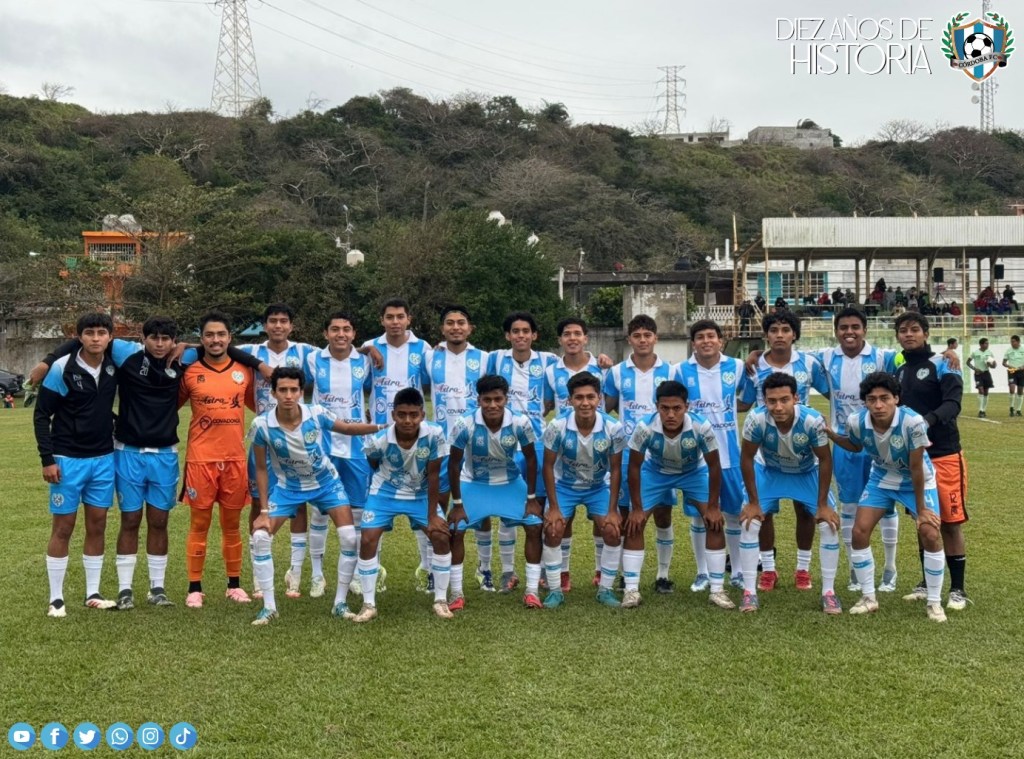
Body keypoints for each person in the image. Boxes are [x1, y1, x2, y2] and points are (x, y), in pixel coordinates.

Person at [31, 317, 268, 609]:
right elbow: (85, 339)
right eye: (153, 338)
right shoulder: (124, 353)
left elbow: (223, 350)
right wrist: (47, 360)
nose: (159, 344)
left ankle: (157, 589)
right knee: (129, 520)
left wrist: (260, 366)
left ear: (173, 340)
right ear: (143, 339)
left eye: (166, 339)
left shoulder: (186, 355)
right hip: (126, 451)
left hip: (165, 453)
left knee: (159, 521)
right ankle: (124, 589)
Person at [247, 367, 381, 625]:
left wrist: (381, 425)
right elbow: (262, 469)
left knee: (349, 538)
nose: (288, 395)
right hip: (288, 488)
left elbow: (346, 428)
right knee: (261, 537)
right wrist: (263, 512)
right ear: (273, 392)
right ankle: (269, 607)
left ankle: (339, 603)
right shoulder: (261, 425)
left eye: (294, 390)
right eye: (283, 390)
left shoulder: (315, 413)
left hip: (327, 485)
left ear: (301, 391)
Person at [825, 372, 947, 622]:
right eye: (871, 399)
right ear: (865, 402)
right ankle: (869, 597)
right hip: (882, 477)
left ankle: (934, 602)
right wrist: (831, 434)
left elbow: (916, 468)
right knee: (859, 532)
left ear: (896, 399)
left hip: (916, 480)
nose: (878, 405)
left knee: (930, 533)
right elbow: (856, 445)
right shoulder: (856, 421)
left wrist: (921, 510)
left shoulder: (913, 423)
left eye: (884, 398)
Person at [809, 308, 900, 594]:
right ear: (836, 331)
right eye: (844, 327)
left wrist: (946, 355)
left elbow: (915, 358)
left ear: (865, 330)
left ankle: (890, 567)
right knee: (849, 505)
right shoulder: (824, 357)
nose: (849, 332)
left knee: (886, 505)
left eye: (855, 327)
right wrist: (753, 356)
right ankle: (853, 567)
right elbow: (788, 359)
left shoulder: (884, 356)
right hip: (844, 444)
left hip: (879, 443)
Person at [34, 313, 119, 616]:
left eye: (101, 333)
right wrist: (48, 459)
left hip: (103, 459)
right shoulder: (62, 367)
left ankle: (92, 593)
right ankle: (56, 599)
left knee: (97, 524)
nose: (96, 338)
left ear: (110, 336)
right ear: (79, 336)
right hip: (67, 460)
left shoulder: (113, 364)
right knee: (63, 527)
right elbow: (42, 415)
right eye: (89, 333)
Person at [741, 310, 829, 592]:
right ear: (766, 335)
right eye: (774, 330)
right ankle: (768, 569)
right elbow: (744, 402)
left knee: (805, 511)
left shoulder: (809, 363)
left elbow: (835, 393)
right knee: (764, 513)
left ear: (794, 334)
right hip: (766, 449)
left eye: (785, 330)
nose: (780, 335)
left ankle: (802, 569)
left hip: (804, 450)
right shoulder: (754, 366)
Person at [738, 373, 840, 614]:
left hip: (806, 472)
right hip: (770, 471)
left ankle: (826, 590)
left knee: (828, 524)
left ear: (796, 398)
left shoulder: (812, 420)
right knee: (750, 522)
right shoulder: (756, 419)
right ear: (764, 401)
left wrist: (823, 504)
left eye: (784, 399)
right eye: (772, 401)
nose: (778, 406)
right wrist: (753, 502)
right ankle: (751, 589)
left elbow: (825, 459)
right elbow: (747, 457)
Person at [890, 312, 969, 610]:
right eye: (903, 330)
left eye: (914, 330)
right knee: (924, 521)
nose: (908, 334)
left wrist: (926, 421)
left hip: (944, 454)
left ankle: (958, 589)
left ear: (925, 333)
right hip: (915, 458)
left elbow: (953, 404)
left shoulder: (943, 363)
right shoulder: (898, 370)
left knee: (949, 523)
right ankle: (927, 582)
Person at [178, 311, 256, 609]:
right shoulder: (190, 371)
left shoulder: (243, 371)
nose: (215, 340)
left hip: (235, 459)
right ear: (202, 339)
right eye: (209, 335)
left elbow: (257, 405)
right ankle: (194, 587)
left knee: (232, 525)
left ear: (229, 338)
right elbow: (168, 405)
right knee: (199, 524)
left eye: (220, 334)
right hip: (201, 460)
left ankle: (234, 585)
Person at [622, 380, 724, 609]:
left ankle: (717, 590)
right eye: (664, 408)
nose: (670, 414)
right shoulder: (644, 427)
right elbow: (634, 467)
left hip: (693, 473)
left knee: (714, 522)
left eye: (676, 408)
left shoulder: (701, 427)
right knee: (634, 523)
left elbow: (714, 466)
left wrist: (714, 507)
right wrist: (637, 509)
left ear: (686, 406)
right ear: (656, 406)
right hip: (656, 473)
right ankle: (631, 590)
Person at [354, 388, 452, 621]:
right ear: (393, 415)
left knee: (440, 535)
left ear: (422, 414)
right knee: (367, 538)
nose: (408, 420)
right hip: (385, 491)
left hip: (420, 493)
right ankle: (368, 604)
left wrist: (432, 516)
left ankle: (440, 599)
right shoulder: (380, 440)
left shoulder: (435, 434)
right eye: (402, 414)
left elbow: (434, 475)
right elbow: (373, 462)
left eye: (413, 415)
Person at [446, 375, 543, 609]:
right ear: (478, 400)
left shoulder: (520, 422)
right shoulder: (464, 423)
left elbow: (531, 460)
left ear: (506, 399)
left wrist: (531, 499)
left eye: (497, 399)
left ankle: (531, 591)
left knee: (534, 525)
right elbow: (453, 464)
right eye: (486, 399)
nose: (492, 405)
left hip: (509, 483)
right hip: (474, 483)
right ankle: (456, 593)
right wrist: (457, 503)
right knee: (456, 530)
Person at [674, 320, 753, 594]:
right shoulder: (680, 371)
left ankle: (739, 572)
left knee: (733, 514)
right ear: (693, 342)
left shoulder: (737, 367)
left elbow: (748, 397)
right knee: (699, 517)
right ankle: (702, 572)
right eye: (700, 337)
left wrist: (729, 411)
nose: (706, 341)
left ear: (721, 340)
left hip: (728, 455)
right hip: (694, 460)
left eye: (711, 336)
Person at [362, 298, 435, 593]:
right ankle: (374, 569)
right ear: (382, 319)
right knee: (376, 505)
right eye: (389, 316)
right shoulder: (370, 346)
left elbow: (434, 381)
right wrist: (365, 349)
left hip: (416, 436)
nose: (395, 321)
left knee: (421, 502)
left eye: (400, 316)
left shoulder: (423, 348)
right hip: (381, 437)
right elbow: (345, 357)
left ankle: (428, 569)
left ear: (409, 319)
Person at [603, 315, 676, 592]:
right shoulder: (618, 372)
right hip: (627, 454)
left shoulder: (671, 371)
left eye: (648, 335)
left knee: (663, 515)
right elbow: (608, 405)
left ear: (655, 337)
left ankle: (662, 575)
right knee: (627, 514)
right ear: (629, 339)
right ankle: (626, 574)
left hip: (661, 455)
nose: (642, 340)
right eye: (637, 336)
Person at [305, 311, 374, 600]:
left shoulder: (367, 361)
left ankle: (357, 574)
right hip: (322, 447)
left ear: (354, 334)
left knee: (357, 512)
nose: (341, 334)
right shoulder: (312, 360)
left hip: (357, 448)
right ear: (325, 334)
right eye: (335, 329)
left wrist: (371, 349)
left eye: (346, 329)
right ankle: (317, 575)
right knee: (320, 511)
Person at [541, 373, 626, 608]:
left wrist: (612, 510)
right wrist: (555, 508)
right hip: (565, 487)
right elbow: (547, 466)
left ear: (599, 399)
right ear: (569, 400)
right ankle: (555, 590)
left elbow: (616, 469)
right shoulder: (557, 426)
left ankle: (605, 589)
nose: (585, 402)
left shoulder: (613, 427)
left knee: (611, 530)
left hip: (598, 487)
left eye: (590, 397)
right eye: (579, 397)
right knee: (553, 529)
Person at [487, 311, 555, 592]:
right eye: (515, 331)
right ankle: (507, 572)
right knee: (507, 509)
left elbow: (570, 377)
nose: (521, 335)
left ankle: (536, 572)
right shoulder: (494, 359)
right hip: (502, 445)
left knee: (534, 507)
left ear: (534, 335)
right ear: (507, 336)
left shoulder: (549, 361)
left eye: (526, 331)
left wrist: (601, 359)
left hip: (535, 444)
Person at [543, 316, 611, 591]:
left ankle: (599, 569)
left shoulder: (604, 367)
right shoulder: (550, 371)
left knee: (601, 518)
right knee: (563, 520)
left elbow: (612, 402)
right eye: (566, 334)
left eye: (577, 333)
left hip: (596, 446)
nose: (572, 338)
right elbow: (546, 404)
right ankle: (564, 573)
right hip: (564, 449)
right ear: (560, 340)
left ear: (586, 338)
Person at [427, 306, 492, 589]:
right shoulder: (430, 356)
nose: (456, 327)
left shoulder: (485, 358)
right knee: (441, 507)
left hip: (477, 445)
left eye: (461, 323)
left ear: (470, 328)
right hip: (441, 446)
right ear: (442, 329)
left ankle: (485, 568)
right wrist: (369, 348)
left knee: (482, 509)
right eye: (450, 323)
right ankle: (434, 569)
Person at [966, 337, 996, 418]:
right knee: (981, 390)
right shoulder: (975, 352)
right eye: (986, 343)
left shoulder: (989, 353)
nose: (987, 345)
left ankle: (984, 410)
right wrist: (975, 368)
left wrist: (991, 364)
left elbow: (994, 365)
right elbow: (968, 362)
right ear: (981, 344)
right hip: (978, 374)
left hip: (986, 373)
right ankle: (980, 410)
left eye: (988, 343)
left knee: (986, 392)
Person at [1002, 334, 1024, 416]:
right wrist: (1009, 366)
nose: (1012, 343)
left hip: (1021, 372)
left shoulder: (1023, 349)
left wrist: (1022, 367)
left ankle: (1018, 410)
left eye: (1013, 342)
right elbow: (1003, 363)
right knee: (1012, 388)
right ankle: (1011, 408)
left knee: (1020, 390)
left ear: (1018, 342)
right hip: (1012, 371)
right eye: (1011, 342)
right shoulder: (1009, 351)